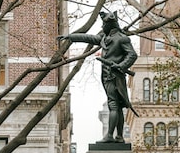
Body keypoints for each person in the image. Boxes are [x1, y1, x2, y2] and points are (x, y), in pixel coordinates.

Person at [58, 10, 138, 143]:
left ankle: (110, 136)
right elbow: (88, 38)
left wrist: (122, 66)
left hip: (115, 77)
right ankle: (119, 136)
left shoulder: (122, 38)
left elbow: (132, 55)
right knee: (117, 106)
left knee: (114, 104)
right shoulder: (104, 38)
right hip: (106, 75)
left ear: (109, 25)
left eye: (103, 25)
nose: (102, 27)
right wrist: (70, 37)